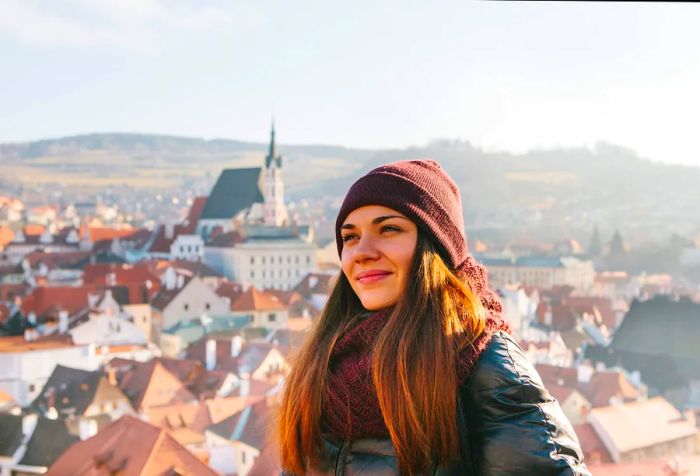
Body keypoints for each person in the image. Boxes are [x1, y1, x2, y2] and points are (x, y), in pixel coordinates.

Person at [277, 160, 590, 475]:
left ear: (436, 248)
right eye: (350, 237)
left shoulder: (484, 361)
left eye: (388, 229)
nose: (362, 252)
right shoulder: (321, 364)